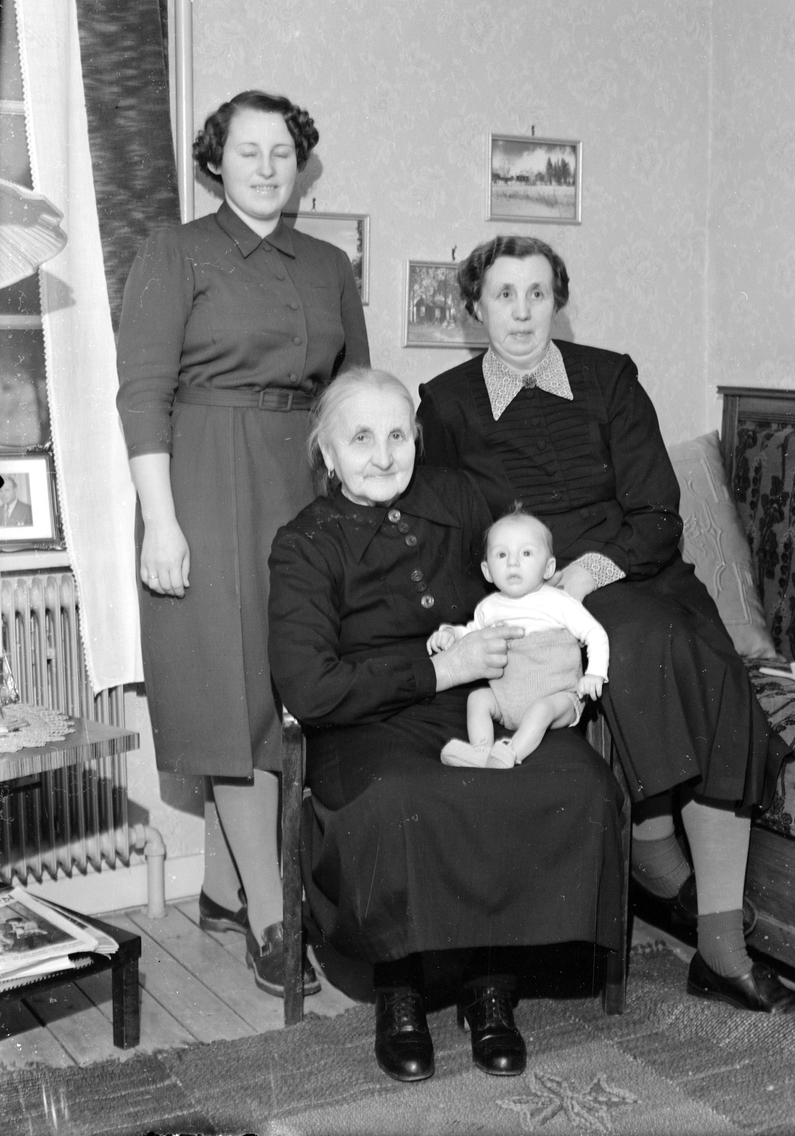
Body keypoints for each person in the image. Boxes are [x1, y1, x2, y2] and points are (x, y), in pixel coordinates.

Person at [417, 234, 795, 1018]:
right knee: (644, 644)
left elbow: (657, 514)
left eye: (538, 293)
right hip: (526, 597)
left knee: (692, 651)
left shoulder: (608, 377)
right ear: (473, 309)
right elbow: (448, 534)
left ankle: (715, 943)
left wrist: (583, 575)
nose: (522, 312)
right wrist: (506, 603)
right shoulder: (446, 401)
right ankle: (671, 879)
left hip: (629, 571)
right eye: (503, 295)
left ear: (557, 301)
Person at [268, 367, 623, 1083]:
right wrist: (440, 669)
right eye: (360, 438)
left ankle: (490, 984)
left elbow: (527, 560)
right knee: (401, 798)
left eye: (398, 436)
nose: (383, 455)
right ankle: (400, 990)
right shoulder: (304, 542)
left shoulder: (457, 498)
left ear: (417, 440)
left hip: (482, 700)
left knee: (573, 779)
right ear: (327, 453)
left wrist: (564, 623)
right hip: (363, 724)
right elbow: (309, 687)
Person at [116, 89, 370, 999]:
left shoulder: (328, 264)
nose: (266, 168)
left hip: (303, 479)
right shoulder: (174, 250)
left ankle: (224, 890)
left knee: (290, 684)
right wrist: (161, 520)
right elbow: (143, 392)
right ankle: (271, 916)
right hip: (205, 481)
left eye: (282, 153)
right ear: (214, 161)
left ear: (300, 165)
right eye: (247, 151)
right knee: (234, 696)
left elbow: (353, 394)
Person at [428, 505, 608, 770]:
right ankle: (481, 750)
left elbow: (595, 633)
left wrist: (595, 673)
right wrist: (450, 634)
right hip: (507, 700)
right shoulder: (489, 608)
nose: (513, 562)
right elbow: (471, 634)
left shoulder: (559, 602)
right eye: (502, 554)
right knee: (478, 699)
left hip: (558, 698)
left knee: (540, 710)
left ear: (548, 567)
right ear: (487, 571)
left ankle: (509, 755)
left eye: (526, 553)